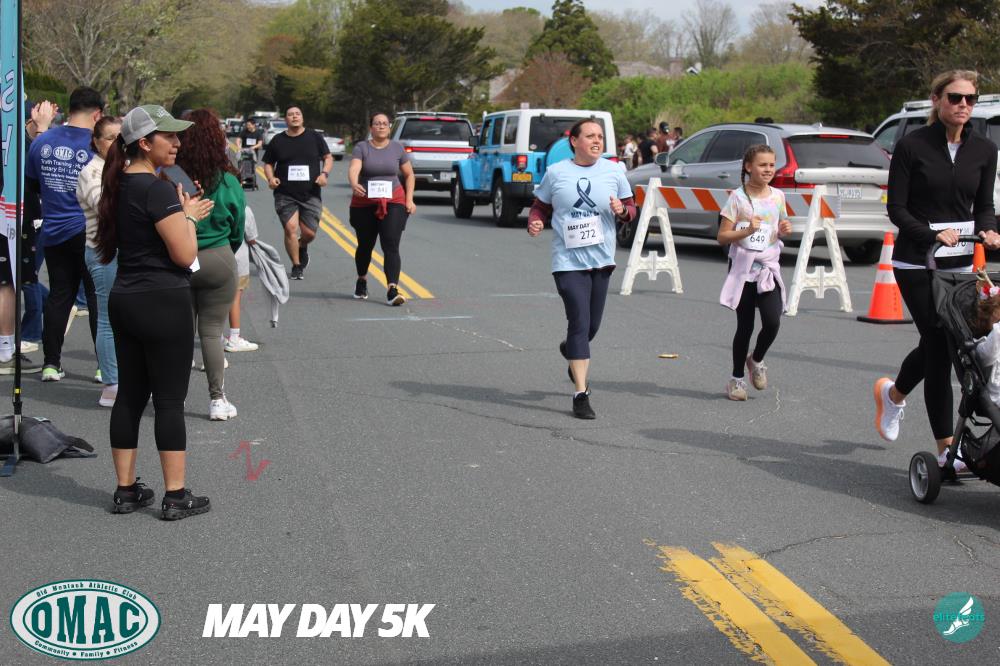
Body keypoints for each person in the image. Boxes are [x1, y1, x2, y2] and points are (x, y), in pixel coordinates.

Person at [874, 70, 1000, 468]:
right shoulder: (912, 146)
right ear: (936, 99)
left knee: (942, 343)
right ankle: (947, 448)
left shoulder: (984, 149)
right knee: (941, 346)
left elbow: (983, 205)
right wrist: (931, 234)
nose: (963, 105)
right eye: (955, 97)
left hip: (959, 265)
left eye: (970, 99)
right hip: (916, 260)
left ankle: (893, 394)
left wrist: (989, 230)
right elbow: (897, 209)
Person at [96, 104, 214, 519]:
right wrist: (188, 217)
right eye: (169, 136)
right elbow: (184, 255)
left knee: (129, 395)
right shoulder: (157, 189)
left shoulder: (117, 184)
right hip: (163, 300)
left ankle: (125, 490)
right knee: (168, 401)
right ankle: (175, 495)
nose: (177, 142)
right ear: (144, 143)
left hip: (125, 297)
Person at [527, 119, 636, 419]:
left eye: (600, 136)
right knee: (578, 321)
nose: (597, 141)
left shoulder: (614, 171)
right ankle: (580, 394)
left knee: (591, 327)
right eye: (590, 136)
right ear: (574, 141)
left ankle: (572, 351)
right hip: (567, 261)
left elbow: (631, 209)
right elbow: (540, 206)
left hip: (601, 260)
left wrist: (622, 211)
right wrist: (535, 221)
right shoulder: (557, 172)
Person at [25, 86, 101, 382]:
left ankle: (51, 363)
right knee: (96, 298)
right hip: (88, 229)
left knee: (60, 296)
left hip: (54, 228)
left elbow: (32, 185)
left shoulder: (43, 141)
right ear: (97, 114)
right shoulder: (98, 144)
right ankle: (103, 366)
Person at [175, 109, 245, 421]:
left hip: (180, 259)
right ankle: (217, 399)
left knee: (179, 334)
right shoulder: (228, 179)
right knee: (212, 332)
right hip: (218, 257)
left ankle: (172, 397)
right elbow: (237, 227)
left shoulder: (172, 177)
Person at [717, 144, 792, 401]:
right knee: (745, 326)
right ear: (749, 167)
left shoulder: (778, 196)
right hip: (744, 269)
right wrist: (747, 231)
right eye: (762, 165)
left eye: (771, 165)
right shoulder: (737, 198)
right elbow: (722, 236)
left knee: (773, 321)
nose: (768, 169)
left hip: (768, 268)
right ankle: (737, 380)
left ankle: (756, 359)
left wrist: (784, 229)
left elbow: (779, 227)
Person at [347, 112, 417, 305]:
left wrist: (409, 200)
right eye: (377, 123)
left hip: (393, 200)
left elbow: (409, 175)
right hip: (365, 202)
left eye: (385, 123)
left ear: (389, 127)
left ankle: (392, 289)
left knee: (391, 244)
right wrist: (354, 183)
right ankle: (362, 280)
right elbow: (354, 168)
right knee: (365, 245)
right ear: (371, 127)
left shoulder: (397, 148)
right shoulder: (362, 147)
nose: (381, 126)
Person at [77, 115, 122, 407]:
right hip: (102, 251)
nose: (116, 143)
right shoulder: (91, 171)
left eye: (121, 137)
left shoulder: (124, 167)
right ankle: (112, 384)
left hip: (127, 252)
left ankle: (128, 378)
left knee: (128, 318)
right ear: (96, 141)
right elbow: (105, 207)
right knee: (107, 318)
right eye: (110, 138)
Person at [262, 106, 332, 280]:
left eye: (297, 114)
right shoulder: (278, 140)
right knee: (290, 228)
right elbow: (268, 163)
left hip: (311, 192)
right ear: (285, 119)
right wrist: (271, 178)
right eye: (290, 114)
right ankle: (296, 265)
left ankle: (301, 245)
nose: (294, 117)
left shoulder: (314, 137)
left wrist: (324, 174)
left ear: (302, 118)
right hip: (285, 192)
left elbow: (328, 158)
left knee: (309, 233)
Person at [225, 206, 260, 353]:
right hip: (238, 261)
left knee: (212, 300)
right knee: (235, 298)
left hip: (213, 258)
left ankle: (216, 336)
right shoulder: (243, 208)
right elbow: (251, 238)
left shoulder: (207, 203)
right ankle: (234, 337)